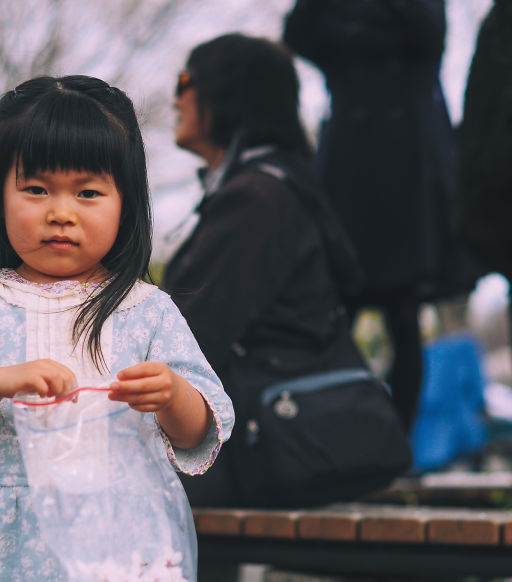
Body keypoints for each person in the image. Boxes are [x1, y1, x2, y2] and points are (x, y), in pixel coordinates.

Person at [0, 75, 233, 581]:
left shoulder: (148, 310)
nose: (60, 212)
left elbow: (201, 429)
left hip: (118, 541)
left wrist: (173, 393)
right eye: (36, 189)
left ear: (126, 202)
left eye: (88, 192)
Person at [163, 33, 399, 509]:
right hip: (282, 441)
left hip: (261, 449)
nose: (176, 96)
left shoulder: (256, 200)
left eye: (186, 80)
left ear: (226, 94)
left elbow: (186, 336)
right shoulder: (273, 186)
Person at [283, 0, 478, 432]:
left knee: (402, 311)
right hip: (350, 172)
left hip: (406, 174)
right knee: (339, 308)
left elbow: (429, 35)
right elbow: (298, 33)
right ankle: (330, 434)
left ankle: (397, 440)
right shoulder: (339, 29)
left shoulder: (407, 24)